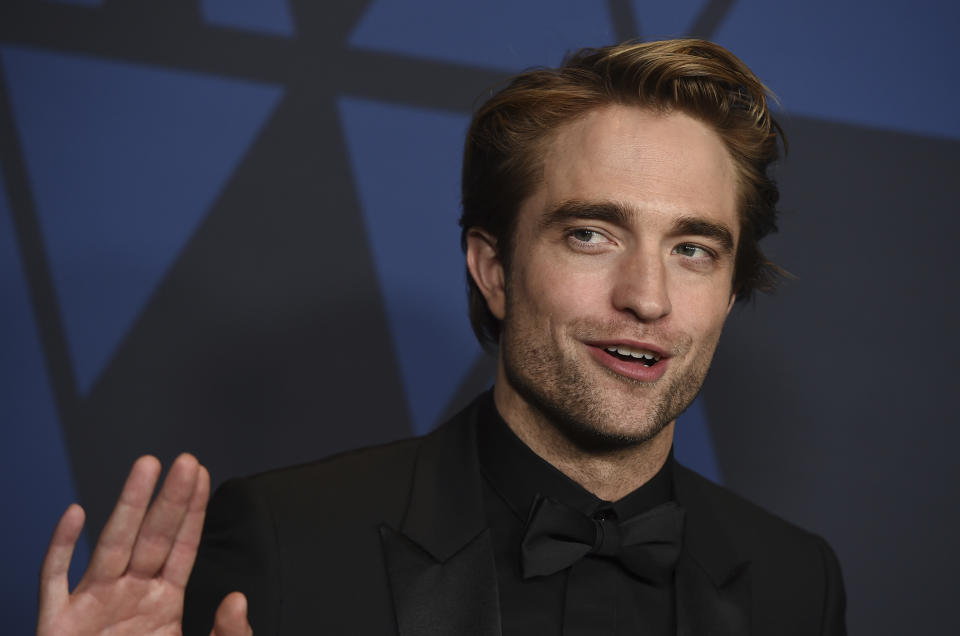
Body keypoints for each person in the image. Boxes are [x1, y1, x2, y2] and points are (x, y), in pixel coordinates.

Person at [38, 39, 846, 635]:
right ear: (493, 271)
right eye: (592, 235)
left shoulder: (795, 582)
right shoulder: (288, 541)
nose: (647, 297)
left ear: (730, 294)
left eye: (693, 250)